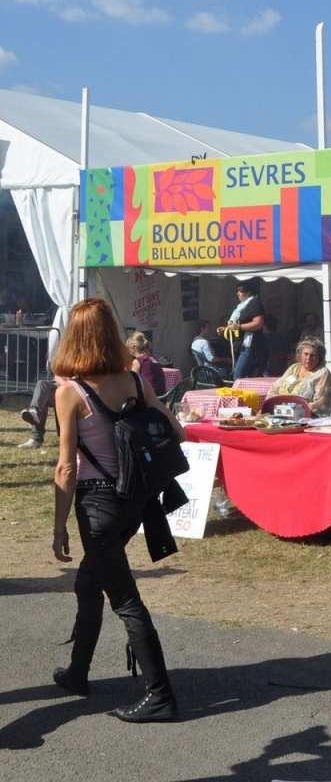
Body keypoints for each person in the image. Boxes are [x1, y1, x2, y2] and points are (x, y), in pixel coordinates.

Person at [50, 298, 185, 722]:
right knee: (90, 584)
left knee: (125, 600)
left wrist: (58, 527)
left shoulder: (69, 393)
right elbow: (175, 430)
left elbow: (66, 466)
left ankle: (159, 693)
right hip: (135, 503)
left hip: (97, 506)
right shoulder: (133, 379)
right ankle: (77, 673)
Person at [268, 337, 331, 417]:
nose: (308, 358)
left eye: (313, 355)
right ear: (300, 355)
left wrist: (293, 412)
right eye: (306, 354)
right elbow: (275, 388)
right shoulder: (294, 368)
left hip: (308, 419)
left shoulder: (322, 373)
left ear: (319, 357)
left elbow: (319, 405)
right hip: (280, 414)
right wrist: (270, 407)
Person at [217, 279, 266, 379]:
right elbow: (239, 323)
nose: (237, 294)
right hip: (242, 344)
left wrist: (239, 327)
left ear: (249, 292)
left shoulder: (254, 303)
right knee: (243, 375)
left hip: (251, 346)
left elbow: (259, 323)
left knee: (238, 376)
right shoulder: (241, 307)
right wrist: (226, 329)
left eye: (240, 291)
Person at [19, 378, 59, 449]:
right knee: (42, 389)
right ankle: (36, 438)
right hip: (61, 385)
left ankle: (35, 414)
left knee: (43, 387)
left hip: (76, 388)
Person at [125, 332, 166, 397]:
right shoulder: (153, 359)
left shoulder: (138, 361)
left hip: (148, 399)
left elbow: (131, 382)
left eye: (129, 349)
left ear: (134, 348)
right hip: (161, 398)